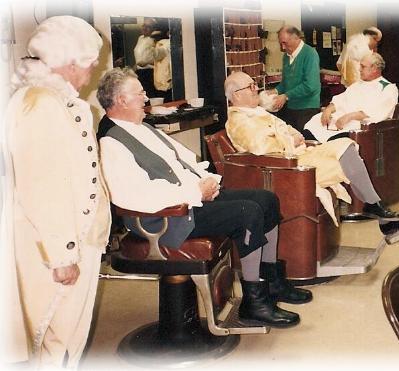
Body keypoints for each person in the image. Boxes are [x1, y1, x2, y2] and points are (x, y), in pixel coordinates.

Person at [96, 67, 311, 329]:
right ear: (121, 100)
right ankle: (254, 303)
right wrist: (196, 192)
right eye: (140, 93)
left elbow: (184, 161)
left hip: (190, 199)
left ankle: (271, 282)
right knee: (248, 211)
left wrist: (208, 183)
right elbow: (133, 196)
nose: (145, 97)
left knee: (266, 199)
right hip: (163, 218)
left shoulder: (141, 128)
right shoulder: (112, 142)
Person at [2, 16, 111, 368]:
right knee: (55, 341)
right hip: (60, 248)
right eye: (89, 60)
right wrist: (62, 255)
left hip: (77, 240)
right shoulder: (41, 104)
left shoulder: (52, 101)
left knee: (65, 340)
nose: (93, 68)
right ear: (68, 60)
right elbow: (42, 187)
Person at [224, 71, 399, 237]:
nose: (256, 89)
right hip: (286, 167)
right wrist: (291, 139)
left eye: (254, 84)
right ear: (236, 95)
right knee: (344, 161)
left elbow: (286, 128)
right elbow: (263, 148)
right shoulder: (238, 121)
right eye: (250, 87)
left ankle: (373, 206)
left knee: (346, 145)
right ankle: (378, 212)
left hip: (299, 153)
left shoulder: (257, 112)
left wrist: (294, 135)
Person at [304, 52, 398, 143]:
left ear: (374, 69)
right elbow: (340, 100)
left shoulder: (388, 88)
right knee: (309, 130)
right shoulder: (357, 84)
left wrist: (350, 116)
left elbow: (377, 113)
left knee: (332, 141)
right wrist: (328, 109)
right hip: (339, 121)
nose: (359, 69)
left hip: (359, 128)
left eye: (363, 66)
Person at [266, 25, 321, 132]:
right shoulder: (286, 56)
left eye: (285, 43)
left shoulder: (310, 54)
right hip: (291, 108)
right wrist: (275, 91)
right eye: (280, 43)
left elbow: (310, 85)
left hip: (307, 108)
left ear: (296, 38)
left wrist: (286, 96)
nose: (282, 47)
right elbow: (285, 83)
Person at [133, 17, 157, 99]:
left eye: (148, 26)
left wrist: (146, 62)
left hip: (151, 73)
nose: (145, 28)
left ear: (153, 29)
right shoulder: (140, 38)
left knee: (150, 97)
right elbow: (140, 55)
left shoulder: (155, 39)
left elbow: (161, 58)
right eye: (144, 25)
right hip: (140, 72)